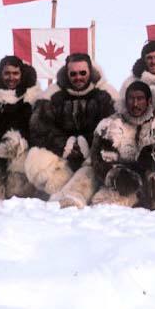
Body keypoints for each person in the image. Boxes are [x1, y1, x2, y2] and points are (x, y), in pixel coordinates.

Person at [25, 53, 117, 208]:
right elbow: (39, 129)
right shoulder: (51, 95)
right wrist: (65, 145)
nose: (78, 77)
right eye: (73, 74)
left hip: (93, 157)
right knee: (35, 159)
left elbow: (112, 128)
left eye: (82, 73)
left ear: (90, 71)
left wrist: (86, 145)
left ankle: (73, 196)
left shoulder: (106, 95)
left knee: (94, 167)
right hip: (62, 157)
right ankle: (58, 192)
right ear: (66, 73)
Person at [88, 78, 155, 208]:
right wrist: (116, 176)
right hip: (129, 183)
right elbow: (98, 157)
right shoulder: (110, 125)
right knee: (103, 206)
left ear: (149, 101)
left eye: (140, 99)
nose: (135, 104)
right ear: (125, 101)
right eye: (131, 99)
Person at [0, 56, 42, 198]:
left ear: (22, 74)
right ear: (0, 74)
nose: (11, 78)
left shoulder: (33, 97)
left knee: (17, 193)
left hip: (22, 152)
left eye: (15, 73)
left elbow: (36, 128)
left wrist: (20, 142)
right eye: (7, 73)